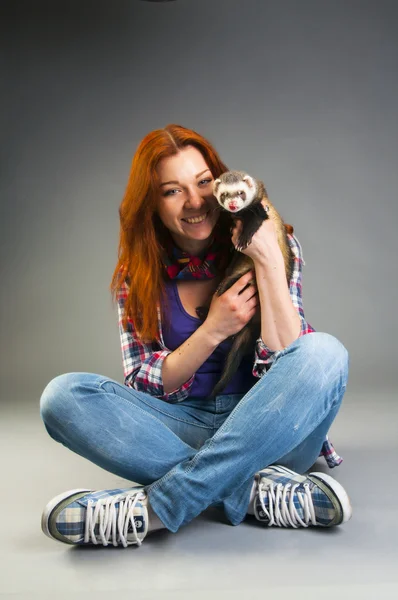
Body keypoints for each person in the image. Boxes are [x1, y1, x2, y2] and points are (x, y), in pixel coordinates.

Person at [39, 124, 351, 548]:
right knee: (61, 397)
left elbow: (291, 358)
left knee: (324, 353)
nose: (195, 201)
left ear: (223, 184)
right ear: (153, 203)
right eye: (172, 191)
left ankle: (159, 507)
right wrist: (213, 329)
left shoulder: (273, 242)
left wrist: (267, 261)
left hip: (270, 428)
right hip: (183, 425)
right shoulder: (138, 276)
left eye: (204, 182)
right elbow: (144, 381)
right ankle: (254, 491)